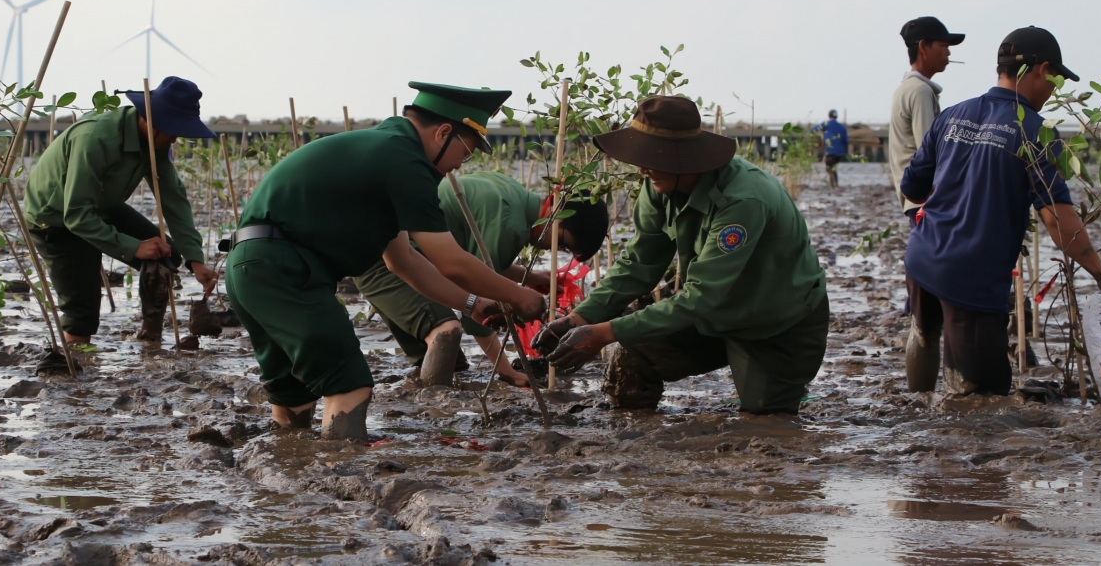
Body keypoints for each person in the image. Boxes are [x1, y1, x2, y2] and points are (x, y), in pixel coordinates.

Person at [224, 82, 546, 442]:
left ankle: (287, 465)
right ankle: (339, 470)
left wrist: (474, 304)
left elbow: (403, 261)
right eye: (465, 152)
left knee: (294, 393)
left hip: (248, 268)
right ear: (443, 133)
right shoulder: (406, 159)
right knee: (349, 383)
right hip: (285, 269)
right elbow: (451, 260)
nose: (459, 164)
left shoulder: (383, 151)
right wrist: (520, 296)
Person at [531, 95, 830, 415]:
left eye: (651, 158)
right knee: (631, 360)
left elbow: (701, 296)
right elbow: (640, 263)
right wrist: (580, 318)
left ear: (684, 159)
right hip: (712, 315)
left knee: (766, 419)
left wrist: (604, 333)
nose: (643, 168)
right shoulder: (659, 185)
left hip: (776, 322)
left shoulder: (743, 200)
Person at [900, 26, 1101, 395]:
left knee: (924, 333)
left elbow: (912, 186)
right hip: (972, 276)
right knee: (983, 396)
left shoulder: (953, 115)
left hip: (922, 256)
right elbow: (1057, 218)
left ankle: (917, 410)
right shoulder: (1036, 132)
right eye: (1056, 79)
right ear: (1042, 70)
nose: (1054, 90)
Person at [24, 76, 220, 369]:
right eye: (174, 131)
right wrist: (133, 247)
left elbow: (173, 199)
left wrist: (196, 259)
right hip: (55, 219)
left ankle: (150, 337)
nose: (175, 140)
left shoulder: (154, 141)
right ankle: (72, 368)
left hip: (102, 206)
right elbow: (76, 215)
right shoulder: (95, 139)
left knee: (165, 255)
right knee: (81, 314)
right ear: (152, 121)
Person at [352, 171, 608, 388]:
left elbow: (479, 263)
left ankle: (417, 404)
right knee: (446, 333)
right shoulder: (511, 224)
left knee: (451, 365)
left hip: (399, 255)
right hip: (386, 262)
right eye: (561, 242)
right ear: (555, 209)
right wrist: (507, 371)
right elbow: (479, 311)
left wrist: (530, 277)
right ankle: (434, 414)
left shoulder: (512, 195)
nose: (554, 249)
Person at [889, 16, 964, 220]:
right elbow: (929, 150)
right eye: (943, 46)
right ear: (923, 46)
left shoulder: (907, 88)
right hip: (925, 200)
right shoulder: (920, 91)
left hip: (914, 197)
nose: (948, 53)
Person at [813, 110, 849, 188]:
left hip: (831, 151)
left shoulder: (826, 124)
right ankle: (835, 184)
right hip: (840, 152)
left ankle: (832, 185)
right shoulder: (842, 127)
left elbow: (813, 130)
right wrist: (846, 152)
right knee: (833, 168)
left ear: (829, 116)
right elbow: (846, 141)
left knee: (829, 168)